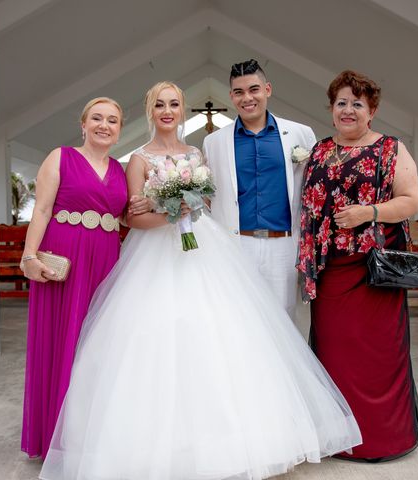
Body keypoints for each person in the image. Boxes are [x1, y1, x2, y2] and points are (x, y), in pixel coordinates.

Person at [39, 81, 361, 480]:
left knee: (220, 331)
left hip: (203, 248)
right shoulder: (138, 159)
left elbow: (207, 203)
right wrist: (174, 212)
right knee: (154, 334)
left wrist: (192, 205)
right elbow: (132, 216)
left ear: (183, 110)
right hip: (153, 255)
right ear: (149, 110)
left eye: (174, 103)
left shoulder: (196, 152)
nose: (167, 111)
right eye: (159, 104)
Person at [298, 70, 418, 461]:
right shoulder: (317, 151)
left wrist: (368, 212)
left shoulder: (390, 148)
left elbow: (411, 201)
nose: (348, 110)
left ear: (372, 111)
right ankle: (339, 437)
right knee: (335, 354)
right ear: (331, 109)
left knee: (377, 355)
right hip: (332, 273)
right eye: (341, 103)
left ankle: (381, 439)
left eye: (358, 104)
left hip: (373, 271)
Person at [19, 97, 149, 458]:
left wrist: (149, 205)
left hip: (106, 261)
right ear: (83, 124)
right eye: (96, 118)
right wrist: (28, 257)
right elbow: (42, 209)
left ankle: (88, 433)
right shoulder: (60, 157)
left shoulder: (121, 170)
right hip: (65, 259)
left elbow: (124, 216)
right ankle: (54, 437)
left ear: (120, 129)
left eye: (112, 120)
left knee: (98, 345)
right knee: (62, 340)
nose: (104, 125)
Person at [203, 59, 316, 320]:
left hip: (284, 243)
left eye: (254, 89)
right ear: (231, 96)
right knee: (237, 318)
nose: (247, 98)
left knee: (283, 319)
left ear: (267, 89)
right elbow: (208, 196)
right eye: (239, 92)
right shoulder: (214, 142)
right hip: (237, 243)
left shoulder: (300, 134)